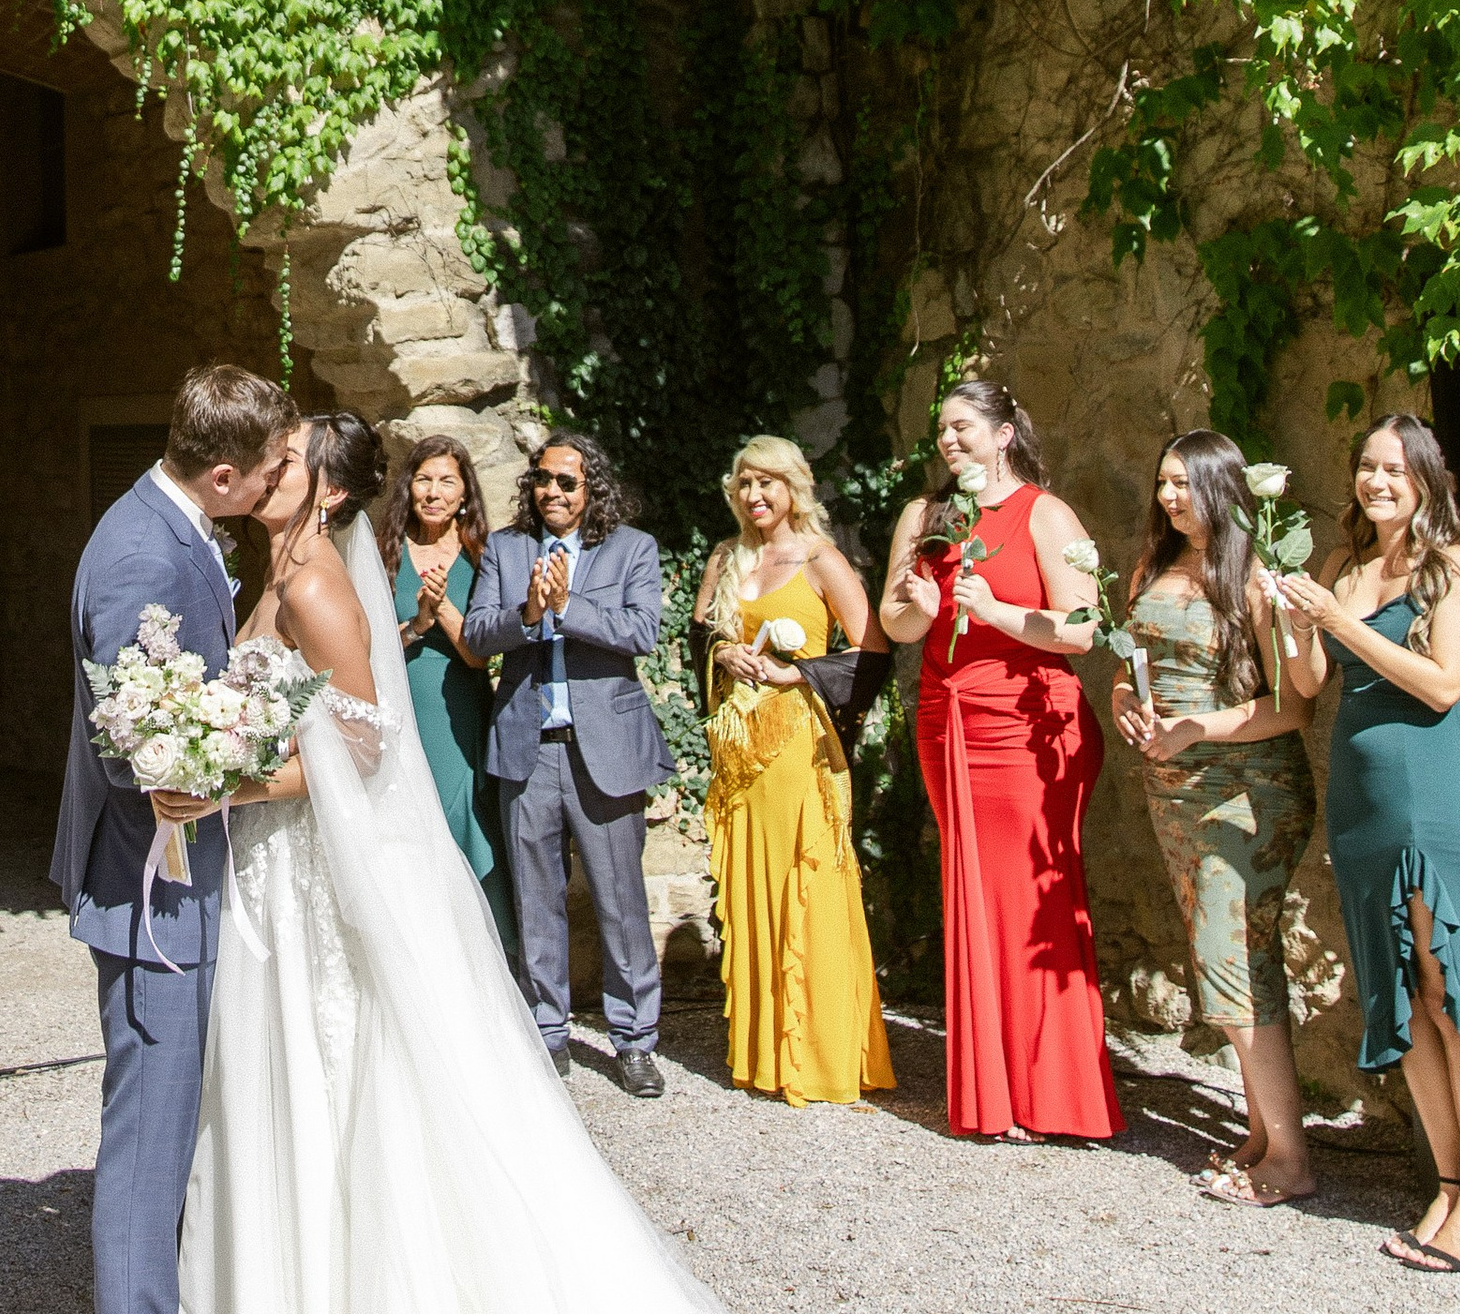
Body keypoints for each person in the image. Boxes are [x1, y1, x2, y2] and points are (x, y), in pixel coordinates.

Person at [170, 405, 1355, 1314]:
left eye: (291, 455)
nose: (268, 468)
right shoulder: (286, 563)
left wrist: (224, 772)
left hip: (361, 840)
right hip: (304, 877)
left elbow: (360, 743)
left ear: (322, 487)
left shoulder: (315, 578)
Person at [52, 361, 295, 1314]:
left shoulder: (177, 524)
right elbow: (125, 740)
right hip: (149, 883)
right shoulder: (143, 547)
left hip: (186, 873)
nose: (277, 487)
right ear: (223, 472)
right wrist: (199, 776)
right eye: (268, 472)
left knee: (171, 1126)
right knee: (148, 1139)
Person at [1276, 414, 1460, 1272]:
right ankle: (1446, 1188)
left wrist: (1337, 622)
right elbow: (1308, 685)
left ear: (1425, 479)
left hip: (1434, 797)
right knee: (1405, 1003)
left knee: (1452, 996)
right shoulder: (1344, 567)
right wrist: (1297, 623)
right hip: (1363, 802)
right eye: (1366, 466)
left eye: (1394, 468)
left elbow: (1445, 685)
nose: (1377, 481)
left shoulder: (1458, 569)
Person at [880, 379, 1123, 1143]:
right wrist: (917, 611)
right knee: (975, 897)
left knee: (1033, 902)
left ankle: (1053, 1094)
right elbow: (893, 618)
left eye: (963, 428)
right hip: (948, 718)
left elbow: (1082, 629)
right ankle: (992, 1090)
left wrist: (996, 613)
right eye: (942, 431)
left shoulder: (1045, 515)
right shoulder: (925, 517)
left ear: (1003, 434)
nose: (949, 441)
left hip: (1029, 724)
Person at [1111, 433, 1319, 1208]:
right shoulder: (1150, 569)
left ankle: (1291, 1160)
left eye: (1184, 484)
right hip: (1174, 790)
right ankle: (1266, 1133)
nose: (1170, 497)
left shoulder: (1257, 579)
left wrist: (1197, 729)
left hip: (1249, 789)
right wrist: (1128, 706)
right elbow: (1129, 674)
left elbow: (1293, 706)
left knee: (1227, 949)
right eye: (1162, 482)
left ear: (1222, 488)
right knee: (1228, 956)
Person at [462, 431, 673, 1098]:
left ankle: (634, 1038)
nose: (552, 492)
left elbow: (641, 632)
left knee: (620, 902)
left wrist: (568, 608)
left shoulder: (632, 548)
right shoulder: (506, 547)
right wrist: (528, 613)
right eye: (543, 480)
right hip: (527, 744)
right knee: (536, 897)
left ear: (593, 490)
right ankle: (547, 1031)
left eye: (567, 482)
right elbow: (475, 632)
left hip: (603, 748)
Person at [693, 435, 894, 1108]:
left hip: (799, 750)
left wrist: (794, 670)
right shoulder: (725, 557)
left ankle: (821, 1055)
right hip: (739, 756)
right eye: (745, 483)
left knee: (809, 890)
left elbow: (872, 653)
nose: (755, 496)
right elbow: (700, 633)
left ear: (794, 488)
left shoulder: (820, 559)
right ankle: (762, 1056)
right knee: (752, 886)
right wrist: (724, 655)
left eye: (768, 483)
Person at [378, 434, 514, 954]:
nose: (433, 492)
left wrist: (446, 611)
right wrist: (417, 623)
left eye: (446, 482)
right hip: (400, 699)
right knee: (407, 829)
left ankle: (492, 960)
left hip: (458, 705)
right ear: (408, 487)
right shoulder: (383, 549)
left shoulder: (485, 555)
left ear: (464, 494)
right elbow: (362, 644)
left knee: (466, 822)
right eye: (423, 479)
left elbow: (482, 654)